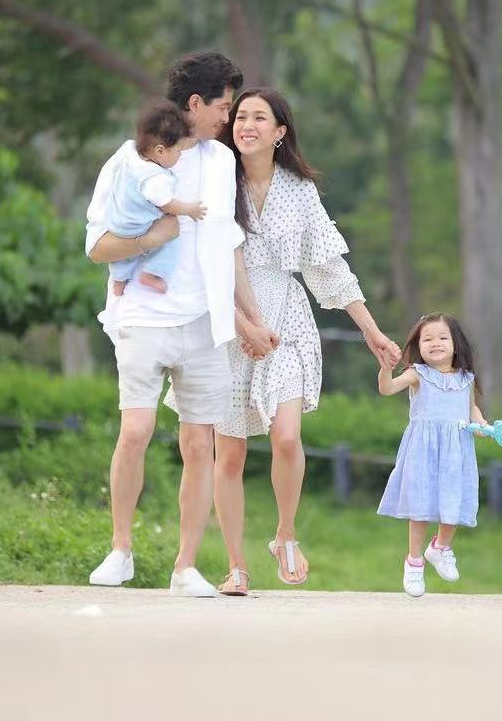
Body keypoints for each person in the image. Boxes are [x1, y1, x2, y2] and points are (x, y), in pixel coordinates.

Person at [170, 87, 400, 595]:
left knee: (288, 437)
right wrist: (240, 321)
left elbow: (328, 268)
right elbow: (198, 259)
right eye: (240, 116)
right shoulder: (216, 180)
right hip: (226, 320)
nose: (246, 125)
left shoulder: (300, 190)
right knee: (229, 454)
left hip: (287, 321)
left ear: (280, 132)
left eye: (259, 118)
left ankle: (285, 533)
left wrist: (371, 331)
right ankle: (236, 566)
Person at [85, 53, 277, 597]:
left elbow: (228, 245)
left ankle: (185, 566)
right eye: (223, 106)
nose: (228, 117)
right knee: (136, 430)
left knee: (200, 443)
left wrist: (251, 319)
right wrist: (153, 238)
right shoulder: (129, 159)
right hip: (144, 317)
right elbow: (97, 246)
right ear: (195, 103)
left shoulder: (220, 161)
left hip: (205, 326)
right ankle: (120, 550)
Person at [376, 313, 488, 597]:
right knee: (421, 506)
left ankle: (440, 547)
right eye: (427, 339)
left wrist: (480, 424)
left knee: (453, 500)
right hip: (422, 451)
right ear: (418, 346)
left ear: (455, 343)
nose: (435, 343)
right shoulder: (417, 374)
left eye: (442, 337)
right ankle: (414, 563)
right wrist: (385, 369)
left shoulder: (466, 379)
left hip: (457, 451)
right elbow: (387, 389)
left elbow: (471, 408)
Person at [107, 98, 207, 296]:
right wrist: (190, 210)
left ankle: (118, 281)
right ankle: (152, 273)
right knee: (172, 238)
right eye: (178, 150)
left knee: (122, 259)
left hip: (117, 222)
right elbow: (167, 204)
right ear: (160, 150)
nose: (180, 155)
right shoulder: (155, 178)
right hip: (137, 226)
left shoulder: (132, 158)